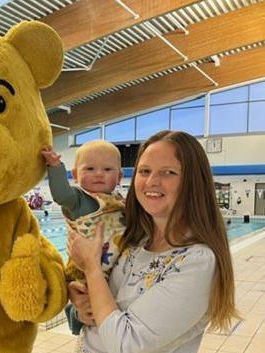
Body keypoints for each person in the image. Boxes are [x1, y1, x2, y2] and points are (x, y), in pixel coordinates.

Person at [67, 130, 238, 353]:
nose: (151, 181)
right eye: (144, 171)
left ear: (192, 181)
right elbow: (100, 301)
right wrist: (79, 307)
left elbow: (125, 344)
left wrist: (91, 268)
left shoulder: (197, 262)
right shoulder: (134, 240)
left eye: (167, 172)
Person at [41, 141, 126, 334]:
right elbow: (61, 194)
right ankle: (74, 317)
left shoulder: (120, 201)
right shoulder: (78, 200)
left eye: (107, 169)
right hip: (84, 270)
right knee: (85, 301)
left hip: (110, 266)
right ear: (75, 174)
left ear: (119, 177)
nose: (98, 173)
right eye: (90, 168)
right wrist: (55, 167)